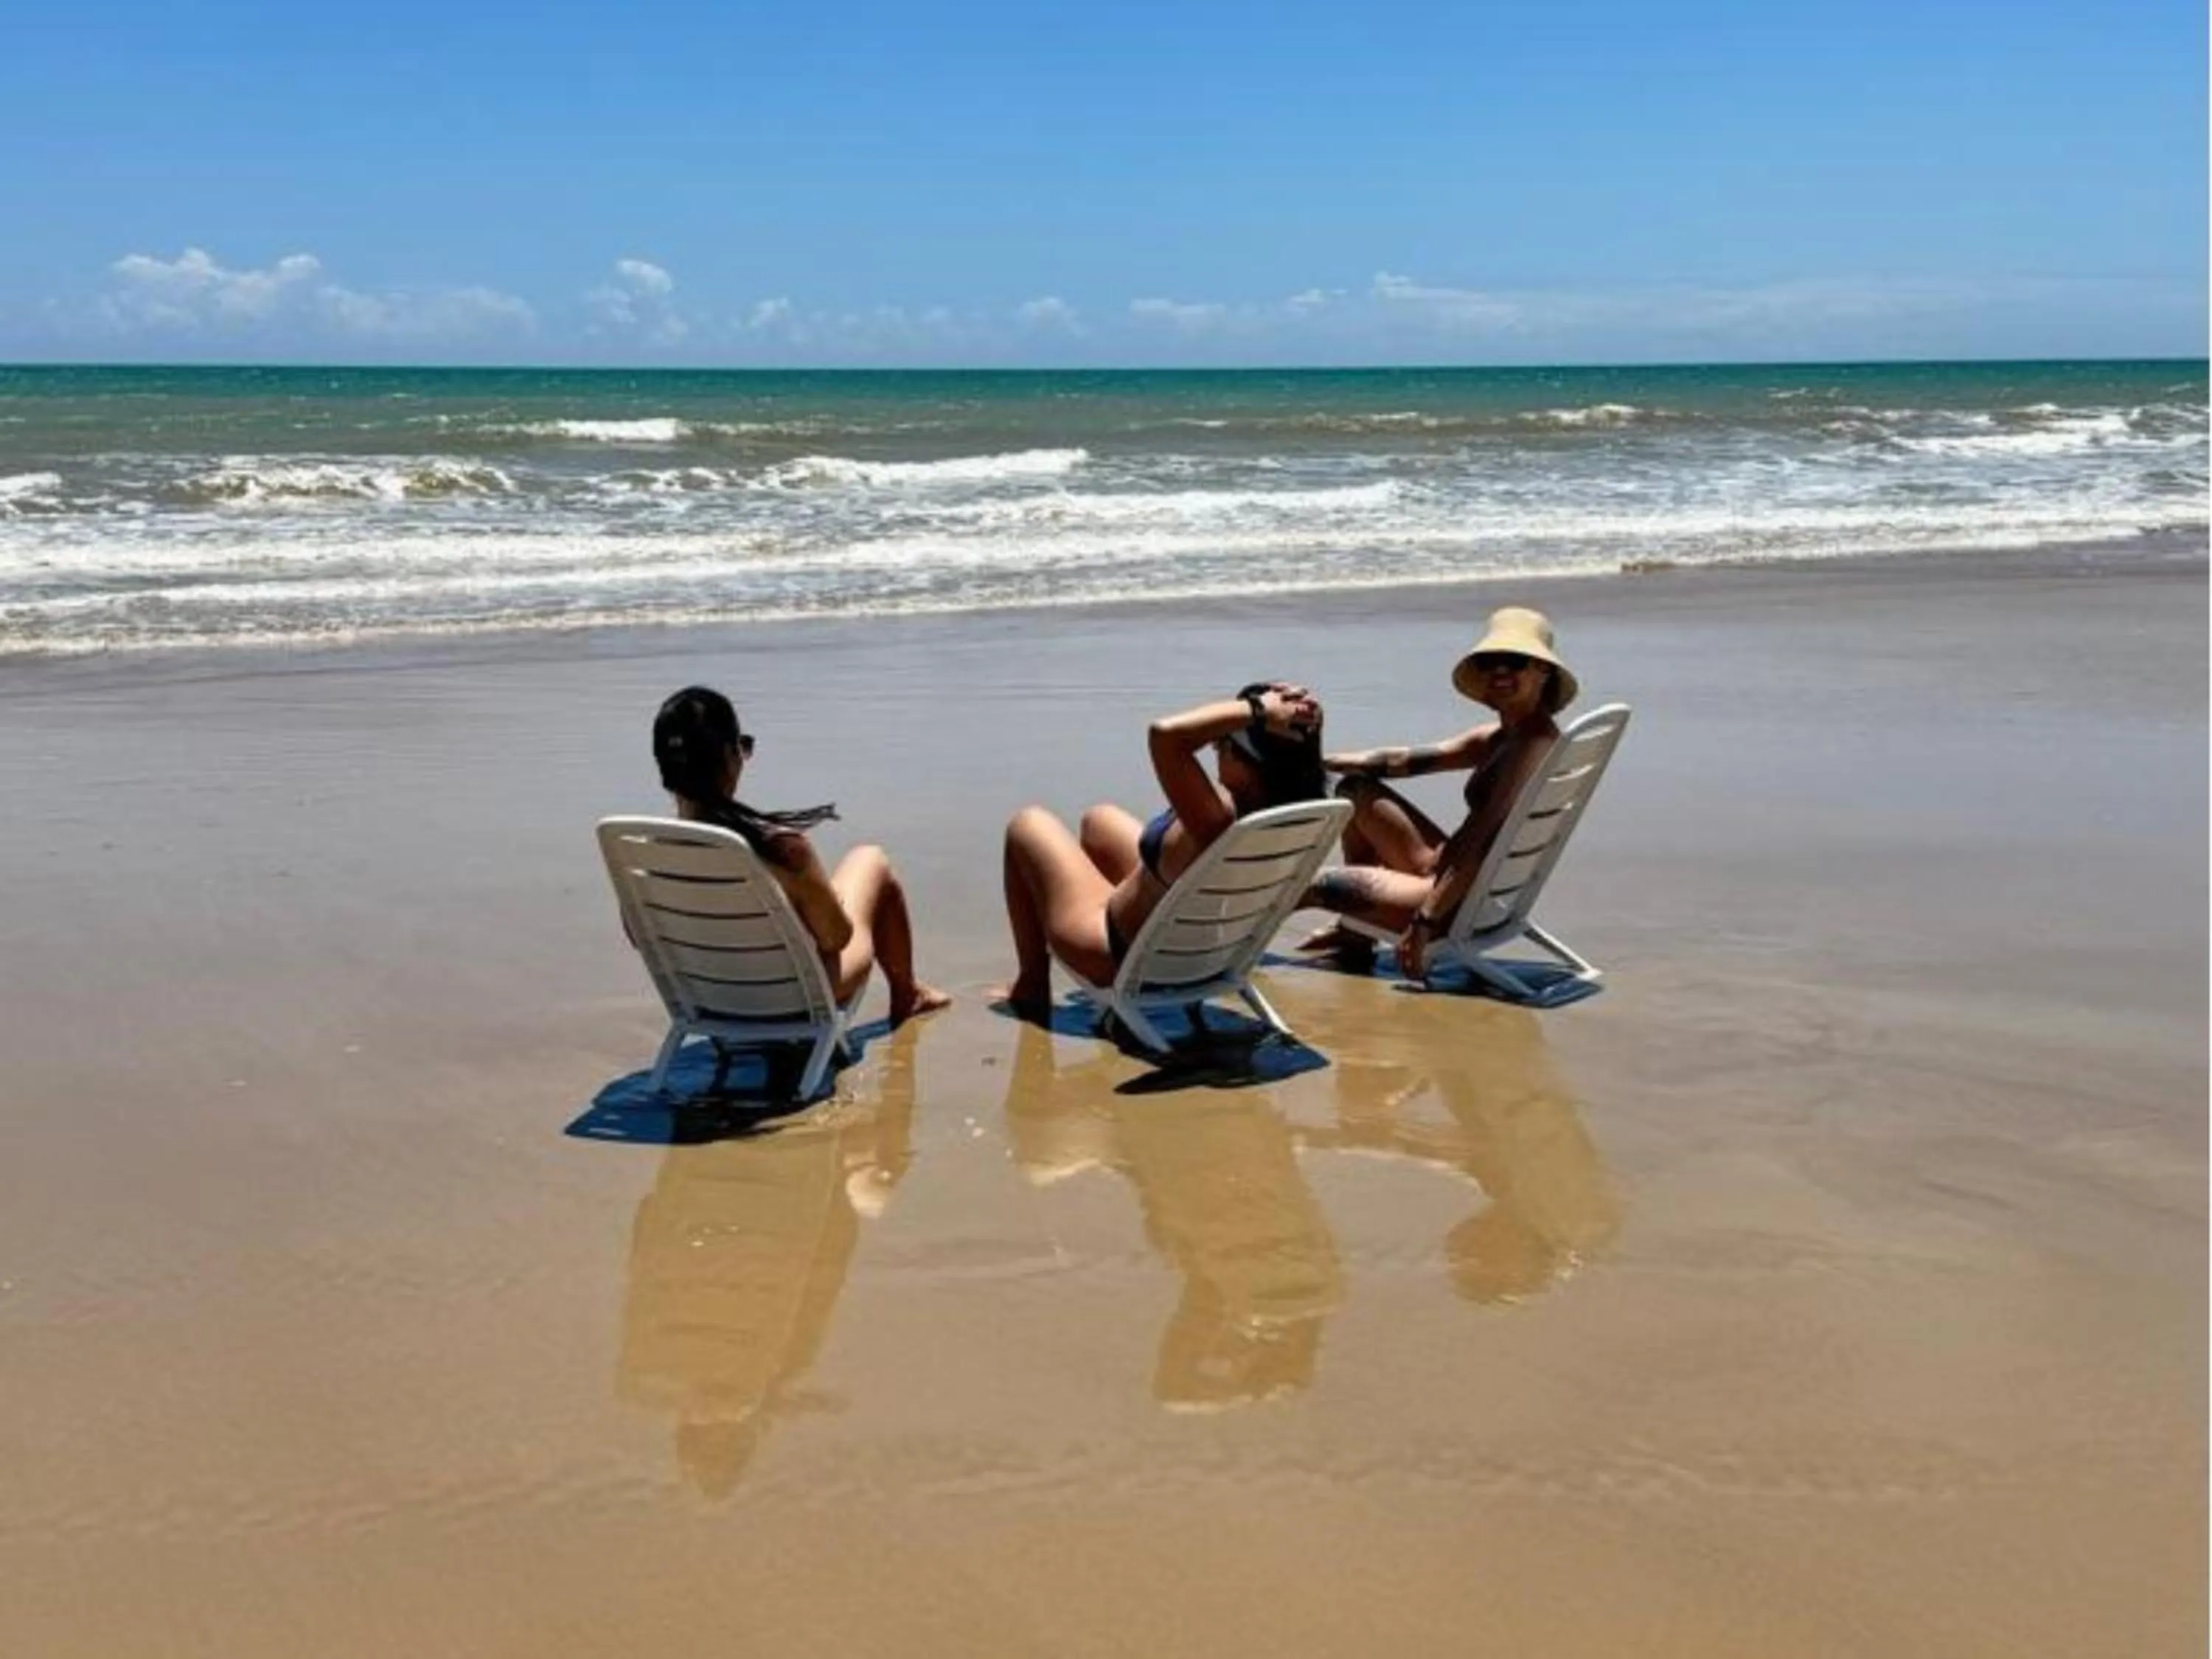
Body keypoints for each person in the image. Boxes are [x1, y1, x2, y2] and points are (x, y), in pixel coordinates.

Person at [997, 682, 1326, 1019]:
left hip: (1114, 951)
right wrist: (1298, 717)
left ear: (1250, 766)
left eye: (1224, 743)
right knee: (1099, 820)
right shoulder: (1302, 816)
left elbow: (1165, 736)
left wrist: (1257, 711)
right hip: (1206, 955)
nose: (1214, 746)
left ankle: (1032, 984)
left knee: (1027, 824)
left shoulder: (1216, 820)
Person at [1301, 607, 1578, 980]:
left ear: (1543, 671)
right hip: (1455, 879)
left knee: (1307, 885)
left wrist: (1426, 920)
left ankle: (1213, 963)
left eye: (1514, 661)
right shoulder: (1505, 736)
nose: (1499, 671)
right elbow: (1405, 760)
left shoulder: (1531, 745)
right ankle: (1356, 934)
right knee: (1354, 790)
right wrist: (1313, 764)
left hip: (1457, 903)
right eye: (1489, 662)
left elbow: (1484, 841)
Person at [652, 686, 949, 1027]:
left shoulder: (645, 853)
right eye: (742, 747)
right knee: (872, 861)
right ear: (728, 755)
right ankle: (907, 994)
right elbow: (837, 938)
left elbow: (640, 937)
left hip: (708, 999)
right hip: (791, 998)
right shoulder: (781, 849)